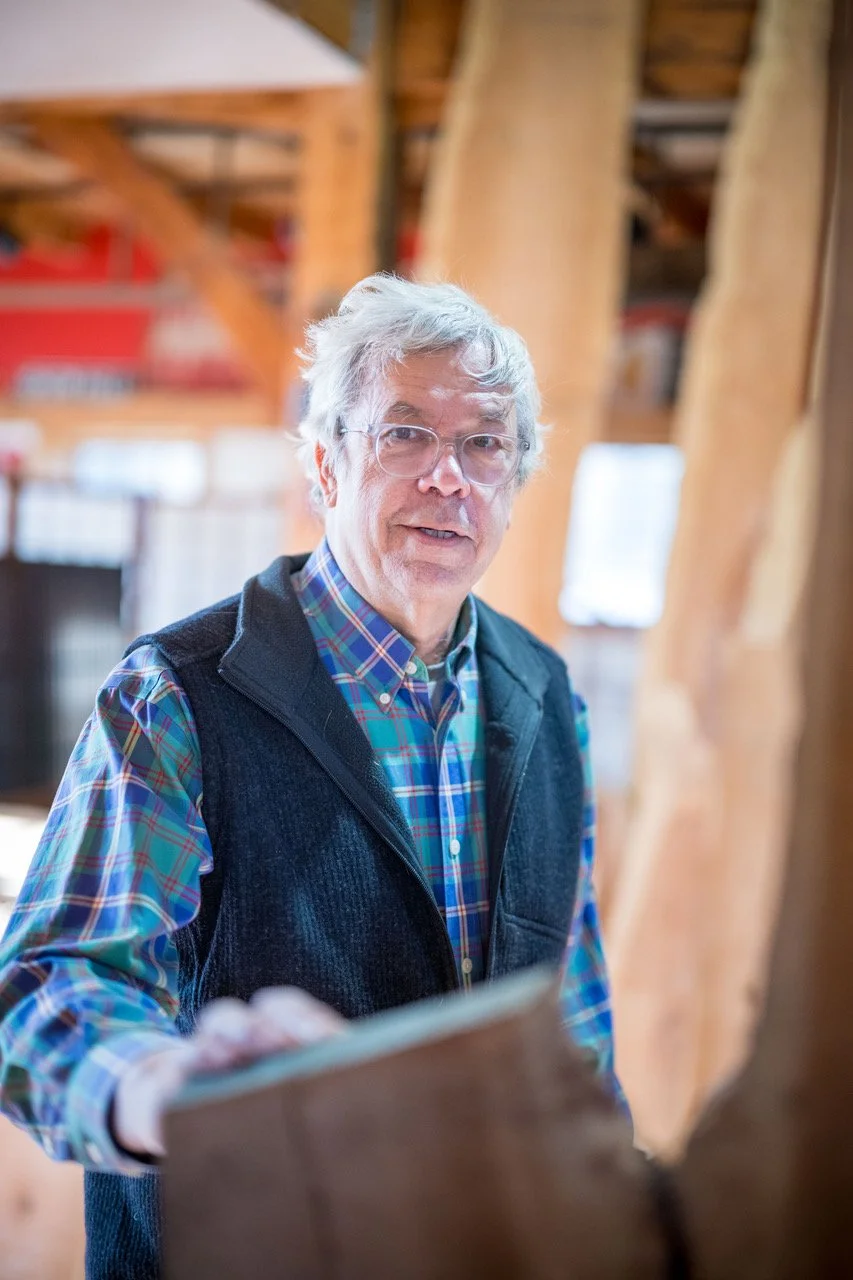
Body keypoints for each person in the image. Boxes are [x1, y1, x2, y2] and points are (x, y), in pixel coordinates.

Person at [0, 274, 625, 1278]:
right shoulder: (181, 693)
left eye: (483, 445)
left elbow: (572, 1018)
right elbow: (51, 983)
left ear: (511, 483)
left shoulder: (549, 697)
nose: (448, 478)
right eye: (405, 434)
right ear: (326, 464)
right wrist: (167, 1085)